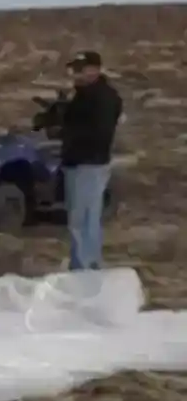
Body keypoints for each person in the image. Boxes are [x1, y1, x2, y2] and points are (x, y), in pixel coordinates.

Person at [59, 51, 122, 271]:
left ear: (95, 69)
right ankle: (84, 263)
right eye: (74, 68)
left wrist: (68, 133)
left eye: (81, 68)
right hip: (77, 162)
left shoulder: (103, 97)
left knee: (84, 219)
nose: (75, 73)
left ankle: (85, 267)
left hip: (90, 163)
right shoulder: (82, 95)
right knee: (80, 217)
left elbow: (101, 132)